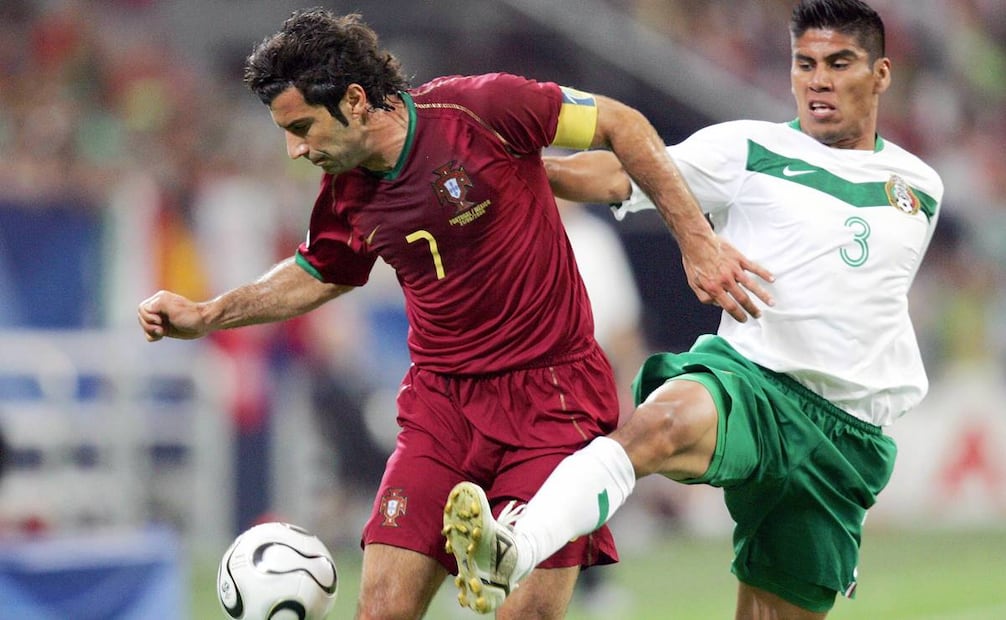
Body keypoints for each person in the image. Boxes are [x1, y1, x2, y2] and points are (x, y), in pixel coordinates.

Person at [135, 9, 770, 619]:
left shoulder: (482, 108)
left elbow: (621, 125)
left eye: (301, 127)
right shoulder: (345, 191)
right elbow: (322, 271)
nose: (294, 150)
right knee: (381, 608)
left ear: (354, 100)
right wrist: (208, 314)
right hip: (441, 408)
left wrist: (696, 239)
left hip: (551, 400)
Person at [442, 0, 944, 617]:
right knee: (660, 425)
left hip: (843, 437)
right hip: (753, 384)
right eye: (805, 64)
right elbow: (617, 175)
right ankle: (514, 547)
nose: (818, 80)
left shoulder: (920, 188)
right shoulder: (749, 148)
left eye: (839, 64)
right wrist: (503, 171)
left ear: (881, 74)